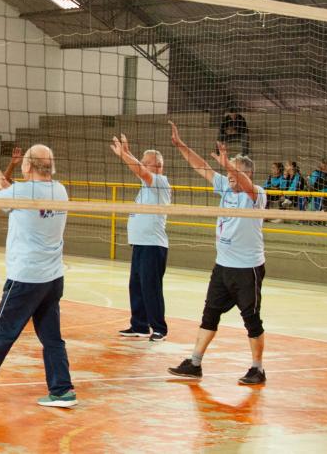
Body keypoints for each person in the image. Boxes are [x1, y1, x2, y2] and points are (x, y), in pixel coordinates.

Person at [0, 144, 77, 408]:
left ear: (28, 166)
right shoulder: (60, 190)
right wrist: (5, 184)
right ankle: (62, 390)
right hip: (52, 278)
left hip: (26, 277)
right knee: (52, 338)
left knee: (3, 331)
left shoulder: (21, 191)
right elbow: (22, 200)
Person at [167, 122, 268, 386]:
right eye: (230, 174)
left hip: (248, 268)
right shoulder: (225, 185)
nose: (231, 178)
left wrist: (229, 165)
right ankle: (194, 363)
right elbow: (202, 167)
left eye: (235, 174)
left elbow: (245, 184)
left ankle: (257, 368)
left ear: (247, 174)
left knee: (251, 320)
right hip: (223, 266)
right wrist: (181, 146)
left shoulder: (256, 194)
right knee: (209, 315)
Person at [110, 135, 171, 342]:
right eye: (143, 162)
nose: (142, 166)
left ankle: (159, 328)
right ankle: (140, 325)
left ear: (159, 165)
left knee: (150, 287)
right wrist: (127, 154)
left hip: (153, 246)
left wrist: (125, 155)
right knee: (136, 285)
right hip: (140, 244)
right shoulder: (146, 187)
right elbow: (140, 170)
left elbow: (139, 170)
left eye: (147, 163)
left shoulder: (160, 182)